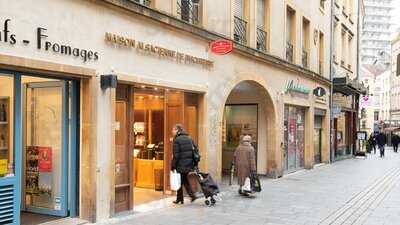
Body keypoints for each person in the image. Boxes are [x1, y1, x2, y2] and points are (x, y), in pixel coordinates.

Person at [171, 124, 197, 204]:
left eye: (173, 130)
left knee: (179, 181)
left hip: (180, 165)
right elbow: (195, 150)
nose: (172, 131)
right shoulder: (189, 138)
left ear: (177, 130)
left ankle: (183, 198)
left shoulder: (177, 140)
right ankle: (183, 198)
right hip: (188, 164)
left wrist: (173, 165)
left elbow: (176, 155)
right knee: (184, 180)